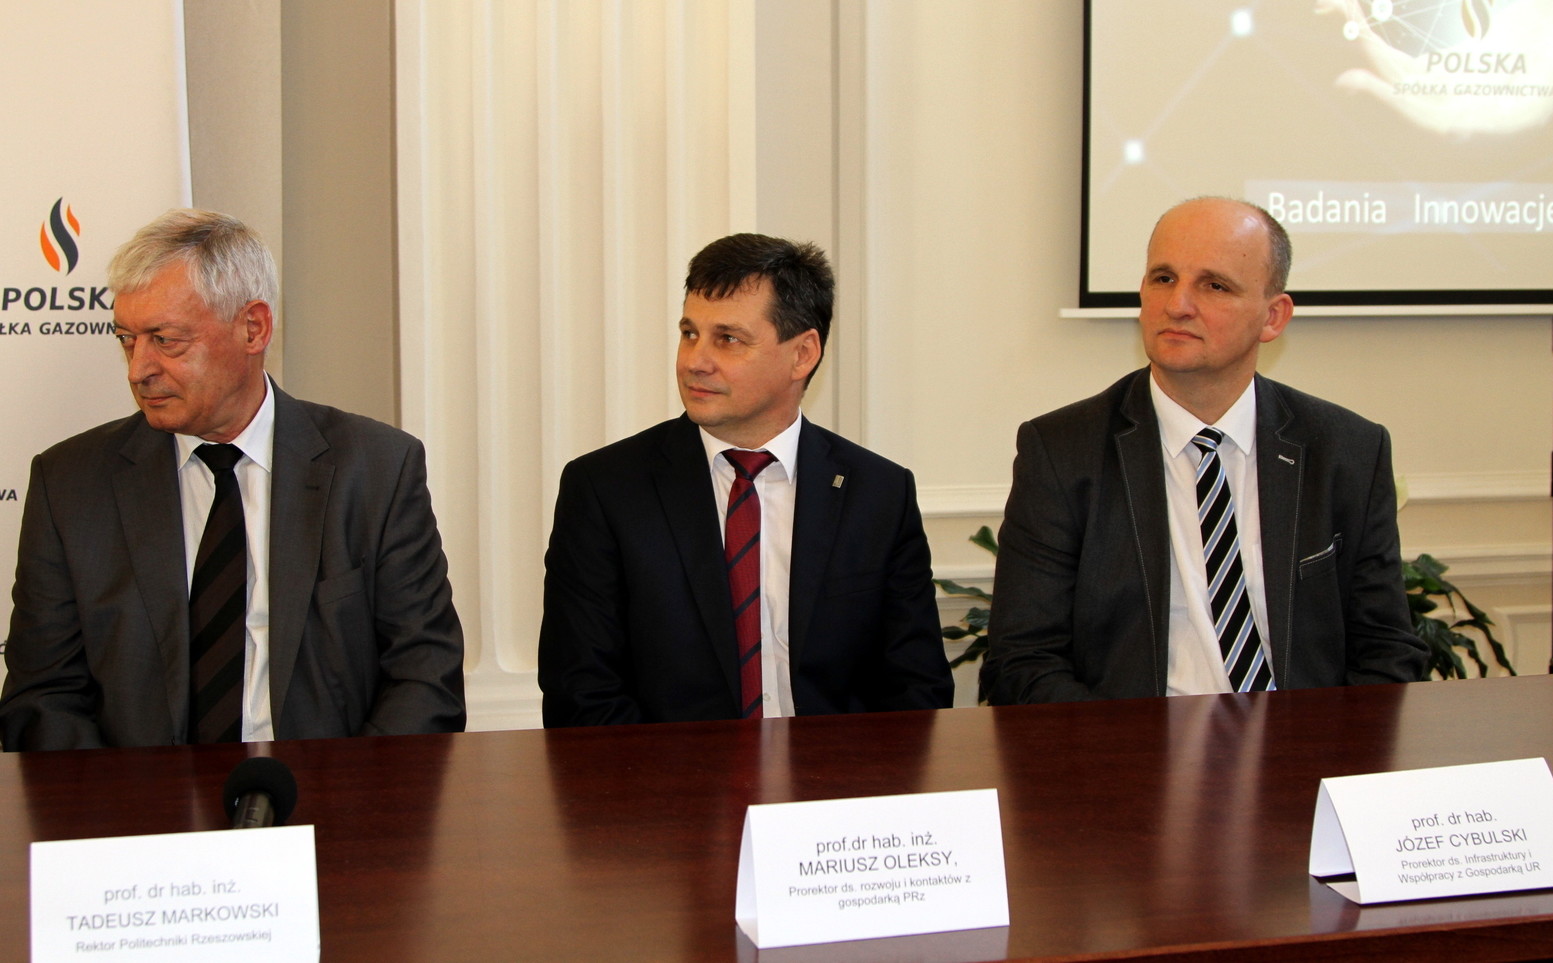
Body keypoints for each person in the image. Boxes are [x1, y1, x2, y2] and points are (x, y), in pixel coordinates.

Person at [0, 209, 466, 750]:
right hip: (137, 796)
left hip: (328, 793)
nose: (138, 369)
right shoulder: (71, 484)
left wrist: (350, 795)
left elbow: (425, 675)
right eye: (127, 339)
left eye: (165, 340)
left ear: (253, 328)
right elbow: (43, 696)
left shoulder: (377, 469)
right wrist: (126, 799)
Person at [981, 197, 1426, 703]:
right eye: (1163, 278)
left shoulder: (1347, 450)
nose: (1177, 305)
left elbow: (1386, 650)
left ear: (1273, 317)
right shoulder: (1063, 451)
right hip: (1130, 741)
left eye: (1214, 285)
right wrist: (1127, 748)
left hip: (1300, 740)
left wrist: (1316, 744)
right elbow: (1023, 659)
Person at [539, 233, 952, 725]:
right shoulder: (606, 490)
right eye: (689, 333)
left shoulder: (879, 493)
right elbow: (580, 695)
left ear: (802, 354)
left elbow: (917, 690)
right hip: (667, 772)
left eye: (728, 339)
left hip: (837, 770)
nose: (695, 361)